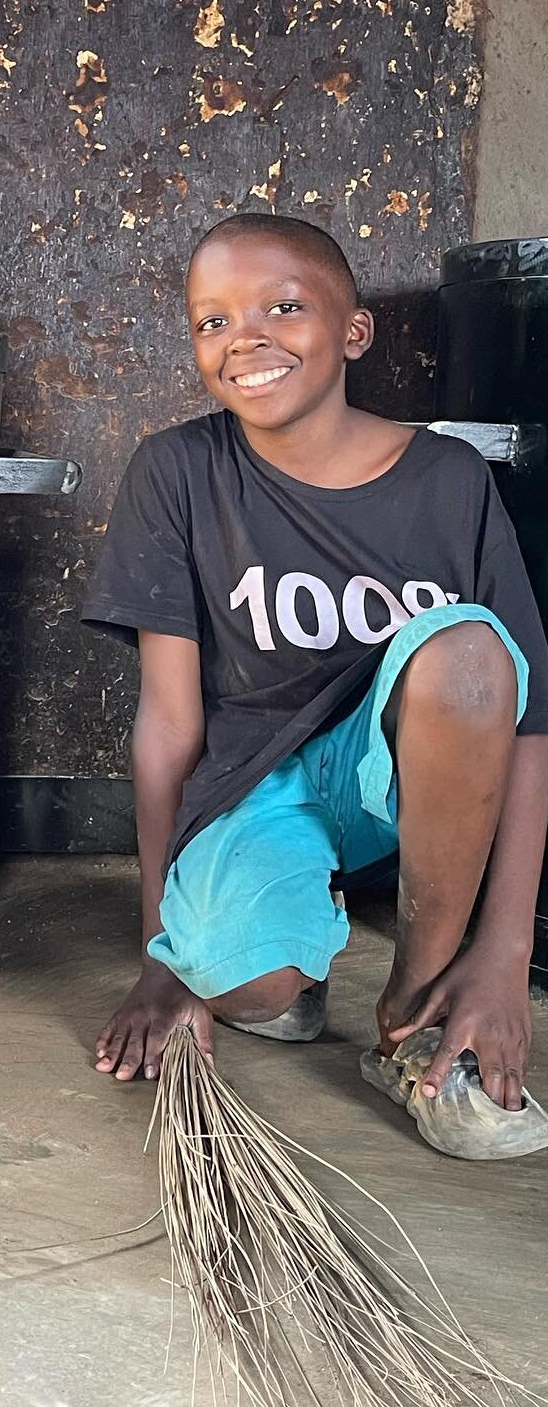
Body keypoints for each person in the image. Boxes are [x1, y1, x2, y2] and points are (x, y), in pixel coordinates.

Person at [83, 211, 548, 1157]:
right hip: (256, 788)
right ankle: (285, 958)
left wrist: (505, 957)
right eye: (212, 322)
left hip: (406, 788)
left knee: (467, 655)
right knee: (238, 983)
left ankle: (414, 1014)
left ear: (353, 330)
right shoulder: (178, 470)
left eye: (283, 307)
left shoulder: (450, 480)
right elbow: (169, 726)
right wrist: (163, 958)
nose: (245, 339)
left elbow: (528, 721)